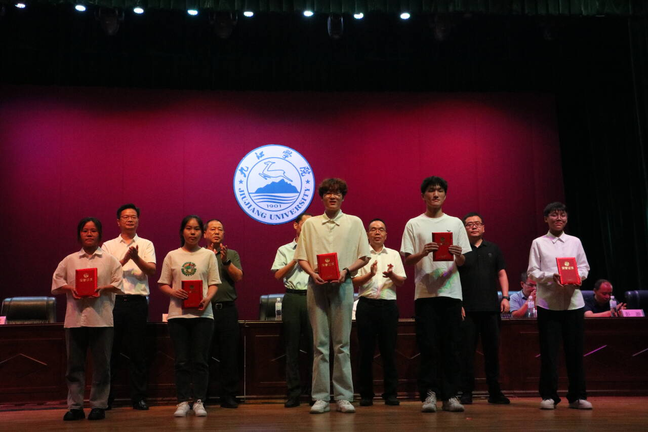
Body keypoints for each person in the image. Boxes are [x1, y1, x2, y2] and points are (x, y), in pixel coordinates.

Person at [295, 178, 370, 414]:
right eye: (328, 193)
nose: (332, 196)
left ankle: (344, 396)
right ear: (322, 197)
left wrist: (346, 271)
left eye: (337, 193)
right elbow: (301, 257)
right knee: (320, 344)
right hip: (316, 286)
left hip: (343, 285)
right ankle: (320, 397)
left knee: (342, 344)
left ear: (343, 197)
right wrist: (312, 273)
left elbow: (364, 256)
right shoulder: (310, 224)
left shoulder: (354, 222)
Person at [400, 176, 471, 413]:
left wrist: (457, 254)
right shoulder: (414, 224)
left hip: (451, 293)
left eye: (440, 190)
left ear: (445, 195)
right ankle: (429, 394)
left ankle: (450, 395)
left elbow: (463, 261)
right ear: (423, 195)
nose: (436, 194)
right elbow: (408, 259)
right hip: (425, 295)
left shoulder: (455, 223)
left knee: (451, 346)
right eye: (431, 190)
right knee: (428, 346)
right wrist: (423, 253)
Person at [52, 217, 124, 421]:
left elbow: (119, 284)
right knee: (74, 366)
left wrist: (103, 288)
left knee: (102, 365)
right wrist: (70, 288)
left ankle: (98, 405)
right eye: (85, 230)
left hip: (102, 319)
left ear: (100, 234)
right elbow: (56, 283)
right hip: (75, 319)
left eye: (93, 230)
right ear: (79, 235)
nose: (89, 234)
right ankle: (75, 406)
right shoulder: (69, 260)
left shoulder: (110, 260)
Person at [527, 202, 592, 410]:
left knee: (575, 352)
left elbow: (584, 267)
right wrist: (551, 276)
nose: (559, 218)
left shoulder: (575, 241)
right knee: (549, 353)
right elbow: (532, 272)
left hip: (573, 304)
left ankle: (577, 396)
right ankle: (549, 396)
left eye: (562, 215)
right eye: (554, 215)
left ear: (566, 218)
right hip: (548, 305)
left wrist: (579, 276)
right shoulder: (538, 243)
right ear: (546, 219)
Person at [158, 215, 220, 417]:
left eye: (196, 229)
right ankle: (183, 401)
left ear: (202, 232)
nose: (192, 232)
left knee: (201, 361)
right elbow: (163, 283)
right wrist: (173, 292)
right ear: (182, 231)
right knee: (182, 361)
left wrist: (207, 298)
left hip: (203, 316)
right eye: (188, 228)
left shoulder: (208, 255)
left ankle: (200, 401)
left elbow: (214, 283)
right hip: (178, 316)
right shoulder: (172, 255)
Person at [103, 204, 156, 411]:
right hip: (114, 303)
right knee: (111, 352)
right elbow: (107, 273)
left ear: (138, 220)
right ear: (118, 221)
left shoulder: (146, 244)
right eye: (126, 217)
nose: (130, 220)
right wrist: (126, 259)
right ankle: (106, 398)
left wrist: (136, 258)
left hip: (137, 303)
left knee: (138, 352)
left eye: (133, 217)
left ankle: (139, 397)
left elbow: (151, 270)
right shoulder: (108, 246)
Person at [352, 219, 406, 407]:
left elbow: (401, 281)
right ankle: (366, 394)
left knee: (388, 351)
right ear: (367, 234)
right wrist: (370, 274)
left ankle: (390, 394)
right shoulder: (361, 255)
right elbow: (353, 281)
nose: (377, 232)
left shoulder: (394, 254)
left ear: (386, 234)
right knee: (365, 352)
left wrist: (391, 275)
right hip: (366, 306)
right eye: (373, 229)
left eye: (381, 229)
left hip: (388, 306)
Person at [457, 212, 510, 405]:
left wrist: (505, 297)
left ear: (483, 227)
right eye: (469, 224)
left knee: (492, 352)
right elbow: (453, 278)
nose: (473, 226)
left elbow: (501, 273)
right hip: (467, 310)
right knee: (466, 353)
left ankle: (495, 392)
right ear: (464, 228)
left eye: (477, 223)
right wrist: (458, 303)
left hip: (490, 309)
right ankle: (466, 392)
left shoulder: (493, 249)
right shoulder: (460, 251)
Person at [271, 213, 314, 408]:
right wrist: (296, 259)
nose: (307, 227)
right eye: (304, 223)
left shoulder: (317, 248)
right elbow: (278, 275)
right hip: (293, 297)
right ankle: (294, 393)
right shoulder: (284, 249)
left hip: (313, 296)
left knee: (315, 347)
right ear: (296, 225)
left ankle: (316, 393)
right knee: (292, 347)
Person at [203, 219, 244, 409]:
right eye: (212, 229)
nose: (216, 232)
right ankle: (202, 395)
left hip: (227, 309)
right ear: (205, 233)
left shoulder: (231, 254)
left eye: (220, 229)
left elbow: (238, 277)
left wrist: (225, 261)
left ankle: (229, 395)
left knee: (229, 355)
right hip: (205, 310)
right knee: (204, 353)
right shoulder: (199, 254)